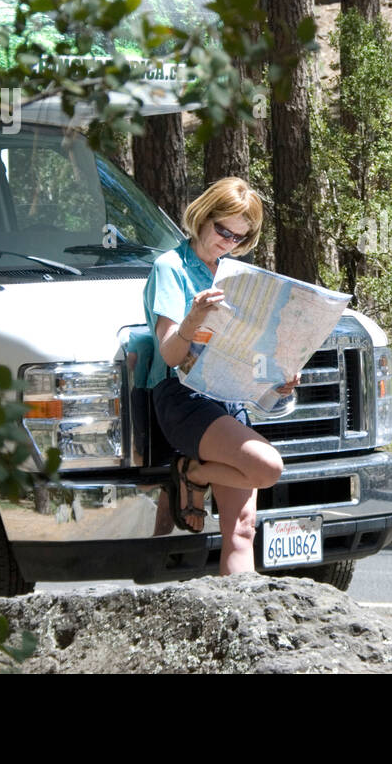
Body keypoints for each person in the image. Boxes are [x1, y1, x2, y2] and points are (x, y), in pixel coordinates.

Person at [140, 176, 299, 575]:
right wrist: (193, 318)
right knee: (267, 467)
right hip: (183, 397)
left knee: (243, 529)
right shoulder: (171, 268)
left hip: (228, 397)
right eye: (222, 230)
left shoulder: (237, 276)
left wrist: (277, 378)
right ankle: (190, 471)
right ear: (202, 217)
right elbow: (171, 354)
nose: (227, 242)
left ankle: (245, 631)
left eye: (238, 238)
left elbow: (248, 352)